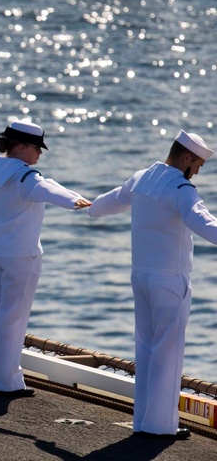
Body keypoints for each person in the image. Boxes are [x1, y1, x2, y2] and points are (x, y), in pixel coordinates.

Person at [88, 130, 217, 440]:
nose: (197, 171)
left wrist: (90, 206)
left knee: (145, 348)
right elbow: (203, 222)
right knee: (167, 353)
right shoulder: (181, 188)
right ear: (186, 158)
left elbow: (115, 199)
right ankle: (159, 427)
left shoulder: (142, 177)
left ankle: (143, 421)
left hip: (141, 276)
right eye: (197, 164)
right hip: (170, 281)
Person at [0, 121, 91, 397]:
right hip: (21, 256)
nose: (40, 154)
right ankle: (7, 381)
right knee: (14, 318)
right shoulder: (27, 178)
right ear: (22, 147)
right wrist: (81, 202)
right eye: (37, 148)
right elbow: (52, 190)